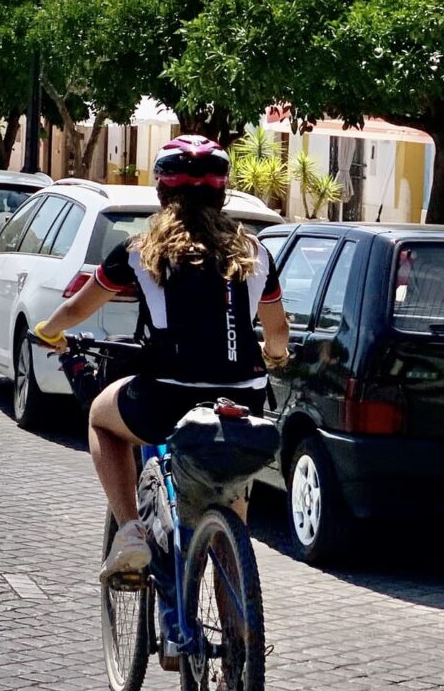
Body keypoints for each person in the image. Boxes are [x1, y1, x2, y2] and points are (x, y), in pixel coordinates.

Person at [32, 135, 290, 582]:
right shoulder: (254, 252)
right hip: (241, 402)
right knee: (231, 505)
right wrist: (274, 355)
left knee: (99, 417)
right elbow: (278, 332)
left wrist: (49, 331)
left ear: (161, 190)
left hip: (165, 399)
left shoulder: (140, 249)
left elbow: (77, 308)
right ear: (221, 191)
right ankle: (238, 630)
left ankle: (131, 530)